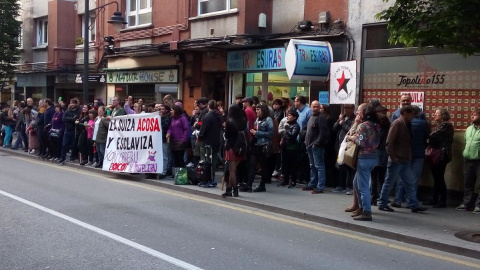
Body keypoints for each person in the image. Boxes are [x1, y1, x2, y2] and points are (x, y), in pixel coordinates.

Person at [378, 105, 428, 213]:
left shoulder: (407, 124)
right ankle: (382, 203)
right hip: (397, 159)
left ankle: (414, 204)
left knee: (409, 182)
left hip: (405, 159)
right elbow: (389, 143)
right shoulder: (397, 124)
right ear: (405, 113)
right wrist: (394, 157)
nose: (413, 117)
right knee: (389, 182)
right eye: (411, 114)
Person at [392, 105, 430, 208]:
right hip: (418, 154)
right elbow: (427, 138)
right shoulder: (423, 123)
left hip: (404, 154)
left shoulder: (402, 123)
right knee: (413, 179)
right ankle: (411, 201)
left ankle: (398, 200)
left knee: (401, 178)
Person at [347, 104, 380, 221]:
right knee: (356, 183)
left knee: (363, 186)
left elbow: (362, 143)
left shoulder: (363, 126)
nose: (358, 113)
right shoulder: (376, 125)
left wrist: (352, 138)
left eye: (360, 111)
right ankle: (361, 208)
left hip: (364, 157)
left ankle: (366, 211)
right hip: (374, 157)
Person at [423, 107, 454, 208]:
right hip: (438, 154)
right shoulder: (441, 125)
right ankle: (435, 199)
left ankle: (442, 200)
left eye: (437, 113)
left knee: (439, 178)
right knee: (436, 178)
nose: (435, 115)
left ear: (443, 115)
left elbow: (432, 136)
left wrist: (428, 139)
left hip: (441, 155)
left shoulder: (446, 125)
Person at [244, 103, 274, 192]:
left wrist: (257, 133)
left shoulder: (268, 120)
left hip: (264, 146)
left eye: (258, 109)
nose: (256, 111)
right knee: (252, 165)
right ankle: (249, 185)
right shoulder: (257, 119)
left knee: (263, 167)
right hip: (256, 145)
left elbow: (270, 134)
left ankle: (262, 185)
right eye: (256, 109)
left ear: (263, 110)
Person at [302, 101, 330, 194]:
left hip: (316, 146)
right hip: (309, 145)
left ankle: (320, 186)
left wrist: (317, 143)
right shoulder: (312, 117)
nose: (316, 108)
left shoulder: (321, 118)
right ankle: (312, 183)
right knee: (312, 166)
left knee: (319, 166)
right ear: (310, 107)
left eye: (317, 107)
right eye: (314, 106)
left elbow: (323, 133)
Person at [456, 109, 480, 214]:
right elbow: (466, 141)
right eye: (472, 115)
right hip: (468, 159)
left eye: (475, 115)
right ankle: (467, 203)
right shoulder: (469, 128)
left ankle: (478, 205)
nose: (472, 116)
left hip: (479, 161)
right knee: (467, 182)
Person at [222, 104, 248, 197]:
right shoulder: (243, 121)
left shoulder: (229, 122)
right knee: (234, 170)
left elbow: (227, 136)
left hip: (231, 147)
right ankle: (229, 189)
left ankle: (234, 190)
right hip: (240, 147)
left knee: (232, 171)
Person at [332, 104, 356, 194]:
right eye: (345, 108)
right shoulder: (343, 118)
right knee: (341, 166)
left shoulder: (354, 119)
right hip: (340, 146)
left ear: (352, 109)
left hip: (348, 147)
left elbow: (351, 131)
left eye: (348, 108)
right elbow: (334, 129)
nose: (345, 110)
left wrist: (343, 124)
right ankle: (341, 185)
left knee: (349, 167)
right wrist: (339, 120)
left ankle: (349, 186)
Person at [198, 100, 223, 181]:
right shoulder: (218, 115)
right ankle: (212, 175)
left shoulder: (208, 116)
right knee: (214, 159)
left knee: (207, 160)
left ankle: (207, 177)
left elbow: (204, 128)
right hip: (216, 140)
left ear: (208, 106)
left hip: (208, 140)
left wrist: (200, 137)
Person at [370, 105, 390, 205]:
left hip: (376, 154)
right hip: (384, 155)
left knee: (374, 178)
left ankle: (373, 198)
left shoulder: (377, 129)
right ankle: (383, 197)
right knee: (382, 177)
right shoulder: (388, 128)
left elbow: (376, 141)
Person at [277, 108, 300, 188]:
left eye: (290, 115)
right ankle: (285, 180)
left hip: (292, 147)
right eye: (288, 115)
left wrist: (286, 129)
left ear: (294, 117)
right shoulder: (287, 123)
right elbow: (282, 133)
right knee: (284, 163)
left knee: (292, 164)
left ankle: (293, 181)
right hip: (285, 146)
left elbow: (292, 136)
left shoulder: (296, 126)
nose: (288, 117)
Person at [58, 98, 81, 165]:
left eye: (73, 103)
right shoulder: (67, 111)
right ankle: (62, 158)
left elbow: (75, 119)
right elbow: (63, 119)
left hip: (74, 130)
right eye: (71, 103)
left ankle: (72, 157)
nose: (72, 104)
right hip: (67, 130)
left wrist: (69, 119)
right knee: (64, 144)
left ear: (76, 104)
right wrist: (71, 119)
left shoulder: (78, 111)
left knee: (73, 145)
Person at [166, 105, 189, 170]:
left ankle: (183, 173)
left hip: (180, 141)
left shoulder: (183, 118)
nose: (170, 112)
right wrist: (168, 133)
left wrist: (184, 140)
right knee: (175, 158)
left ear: (176, 111)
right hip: (173, 141)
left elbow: (186, 129)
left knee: (180, 158)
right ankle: (177, 173)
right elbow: (170, 128)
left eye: (172, 110)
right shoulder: (173, 119)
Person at [158, 104, 172, 178]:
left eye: (162, 109)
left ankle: (164, 172)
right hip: (158, 139)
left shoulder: (167, 118)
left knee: (165, 156)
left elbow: (164, 125)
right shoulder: (159, 117)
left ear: (166, 110)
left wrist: (160, 118)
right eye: (160, 109)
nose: (161, 111)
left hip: (164, 139)